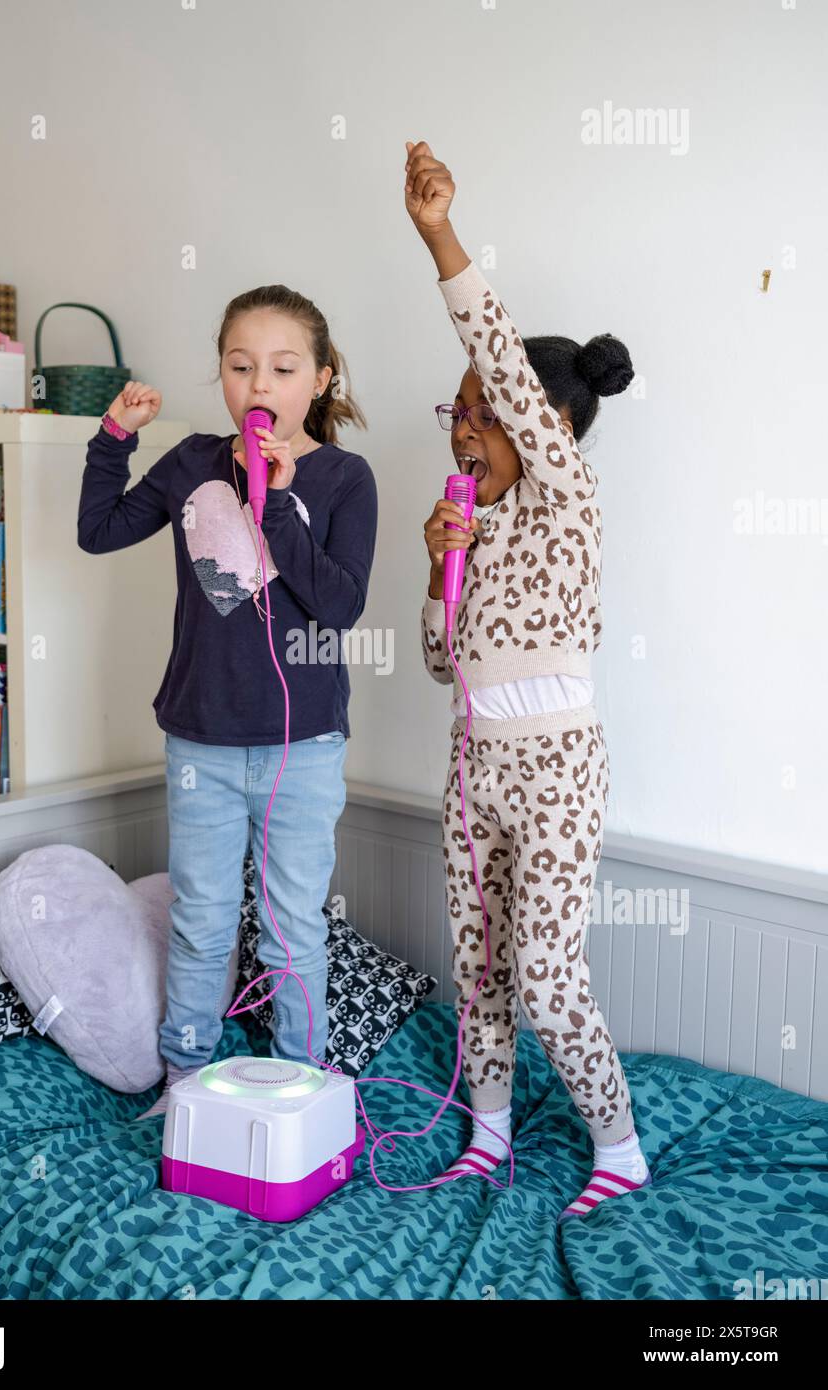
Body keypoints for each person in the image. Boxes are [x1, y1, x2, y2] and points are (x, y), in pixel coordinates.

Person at [406, 139, 651, 1222]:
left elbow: (501, 359)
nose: (463, 425)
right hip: (475, 768)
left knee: (549, 977)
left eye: (480, 411)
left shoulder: (566, 501)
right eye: (453, 412)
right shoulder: (479, 525)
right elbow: (438, 664)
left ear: (538, 428)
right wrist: (436, 567)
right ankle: (490, 1134)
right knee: (482, 968)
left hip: (556, 767)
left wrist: (441, 237)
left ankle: (622, 1143)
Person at [77, 285, 377, 1118]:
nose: (259, 386)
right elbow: (97, 530)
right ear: (220, 375)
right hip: (199, 740)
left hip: (303, 745)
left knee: (292, 930)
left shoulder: (345, 478)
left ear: (318, 380)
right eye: (241, 367)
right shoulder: (188, 464)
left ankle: (302, 1083)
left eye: (282, 369)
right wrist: (113, 438)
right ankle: (183, 1081)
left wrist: (276, 501)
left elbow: (340, 605)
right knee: (202, 919)